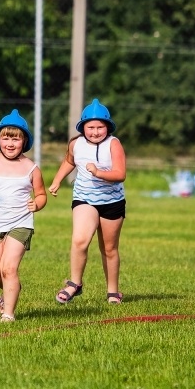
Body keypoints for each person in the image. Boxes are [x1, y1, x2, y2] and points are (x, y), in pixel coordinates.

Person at [49, 99, 127, 304]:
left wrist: (99, 172)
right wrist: (57, 180)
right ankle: (74, 283)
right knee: (80, 240)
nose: (95, 131)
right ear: (82, 127)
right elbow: (69, 161)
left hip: (112, 201)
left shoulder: (114, 144)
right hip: (84, 198)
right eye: (90, 127)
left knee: (109, 249)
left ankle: (113, 291)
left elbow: (120, 174)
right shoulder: (76, 143)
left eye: (100, 127)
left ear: (107, 127)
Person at [0, 109, 47, 322]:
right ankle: (12, 287)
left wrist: (37, 203)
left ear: (24, 141)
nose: (11, 143)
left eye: (16, 138)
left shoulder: (31, 168)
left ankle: (8, 315)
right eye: (6, 137)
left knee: (9, 268)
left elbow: (41, 194)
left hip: (21, 223)